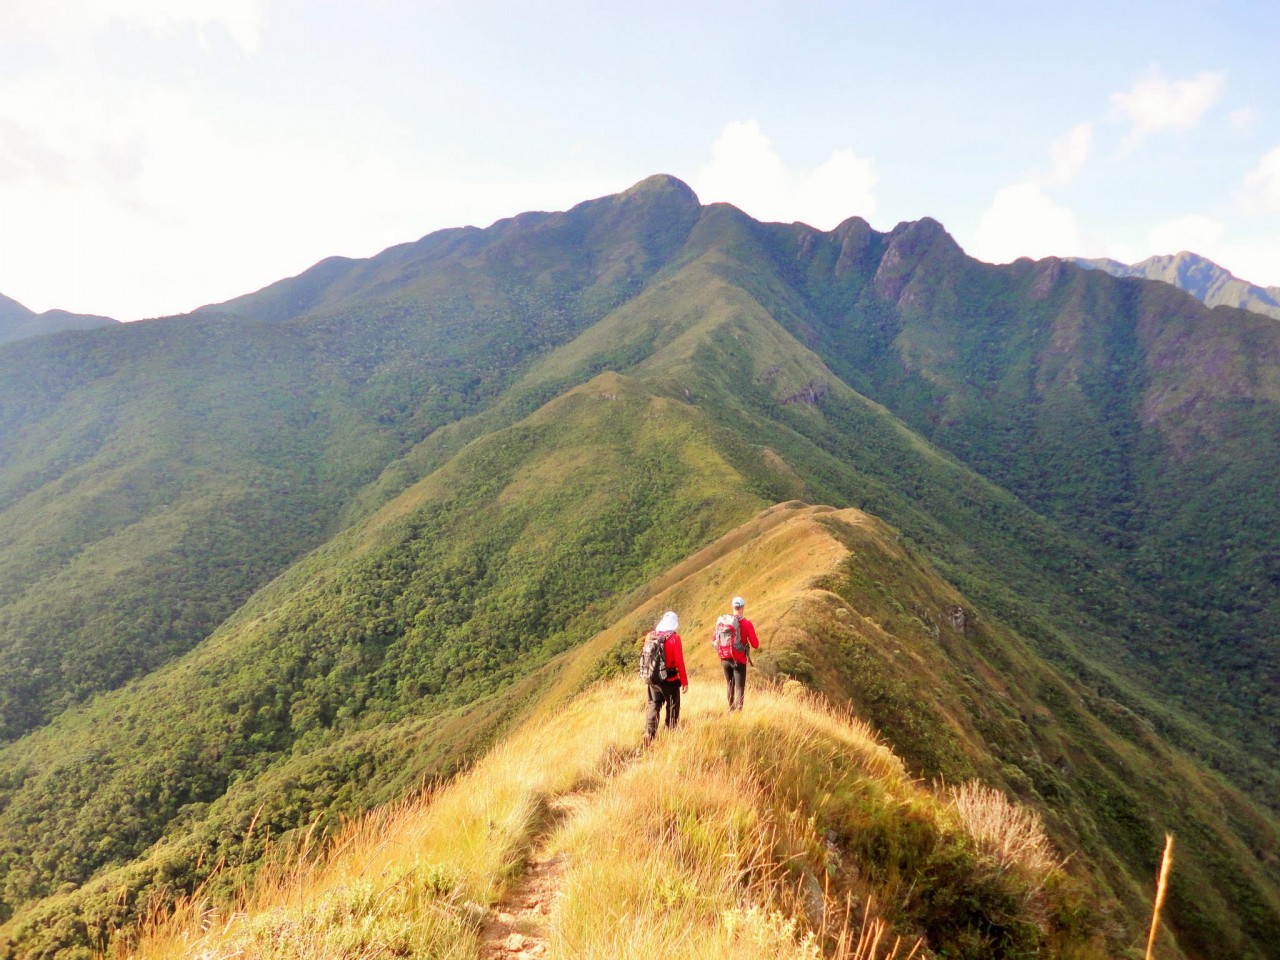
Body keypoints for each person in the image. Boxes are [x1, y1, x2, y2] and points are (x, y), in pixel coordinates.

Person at [643, 610, 687, 745]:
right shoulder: (674, 639)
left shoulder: (650, 637)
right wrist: (684, 682)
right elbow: (679, 662)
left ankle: (648, 733)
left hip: (653, 680)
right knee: (673, 707)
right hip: (670, 680)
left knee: (654, 705)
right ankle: (671, 734)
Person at [716, 596, 759, 712]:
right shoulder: (746, 624)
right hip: (739, 660)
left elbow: (714, 639)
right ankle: (738, 714)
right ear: (743, 607)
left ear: (733, 607)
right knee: (739, 687)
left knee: (730, 685)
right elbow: (756, 644)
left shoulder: (723, 622)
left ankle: (731, 710)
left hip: (725, 659)